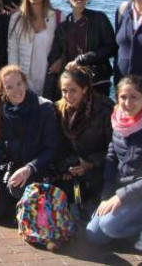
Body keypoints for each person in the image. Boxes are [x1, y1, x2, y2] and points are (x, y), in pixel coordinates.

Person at [85, 75, 142, 252]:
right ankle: (129, 223)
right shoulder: (118, 122)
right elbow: (111, 157)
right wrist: (107, 195)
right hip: (121, 188)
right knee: (94, 236)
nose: (127, 103)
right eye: (123, 97)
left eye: (134, 97)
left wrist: (121, 196)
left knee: (110, 226)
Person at [0, 65, 58, 222]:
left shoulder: (44, 108)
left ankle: (25, 205)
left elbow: (52, 149)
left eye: (19, 84)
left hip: (37, 169)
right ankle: (16, 206)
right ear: (3, 91)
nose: (16, 90)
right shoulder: (0, 110)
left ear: (25, 83)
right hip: (12, 167)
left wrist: (29, 168)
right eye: (9, 87)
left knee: (17, 188)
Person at [53, 63, 114, 213]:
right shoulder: (58, 109)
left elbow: (115, 147)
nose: (68, 96)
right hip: (72, 167)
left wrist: (91, 163)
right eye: (64, 91)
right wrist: (68, 165)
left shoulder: (104, 109)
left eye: (73, 91)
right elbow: (57, 144)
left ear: (85, 89)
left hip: (98, 166)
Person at [46, 0, 116, 100]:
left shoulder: (99, 19)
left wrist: (82, 59)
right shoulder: (63, 27)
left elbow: (111, 48)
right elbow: (55, 57)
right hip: (72, 85)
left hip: (97, 82)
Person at [7, 0, 61, 96]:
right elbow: (12, 51)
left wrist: (60, 61)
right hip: (25, 81)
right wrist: (15, 79)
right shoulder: (16, 19)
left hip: (49, 80)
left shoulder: (57, 17)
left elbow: (66, 48)